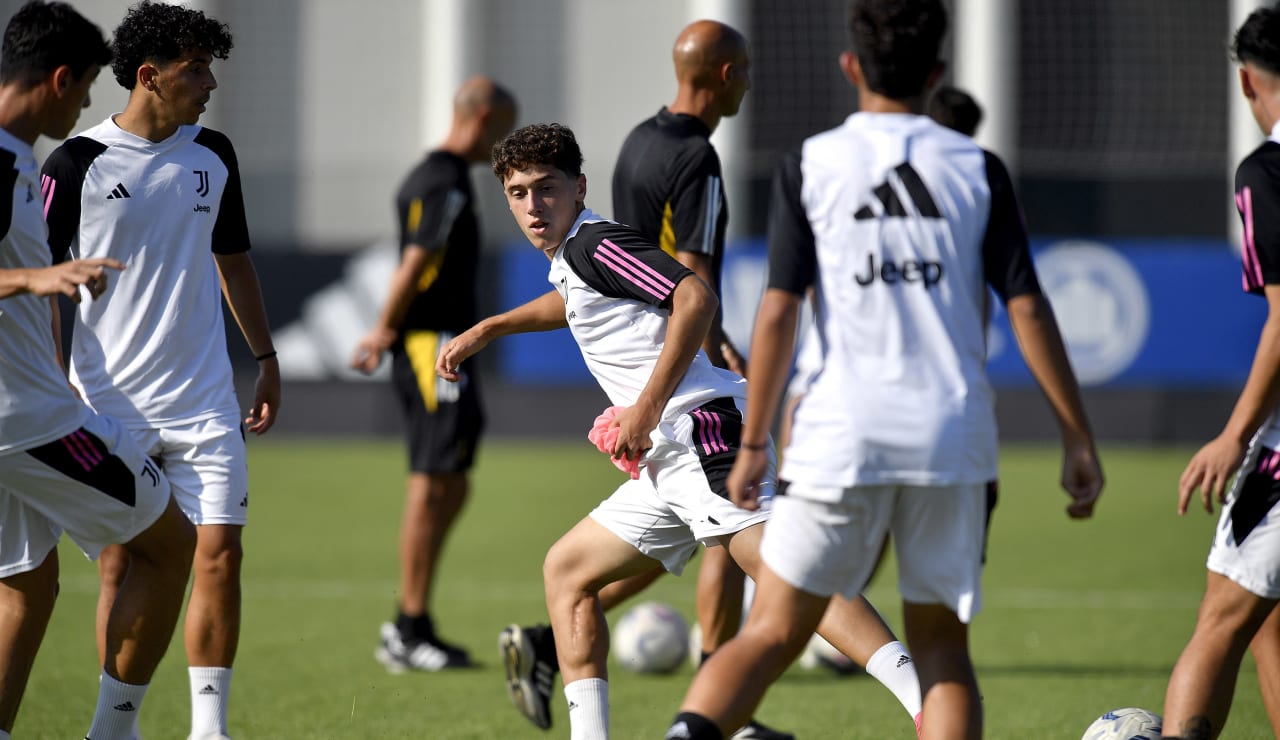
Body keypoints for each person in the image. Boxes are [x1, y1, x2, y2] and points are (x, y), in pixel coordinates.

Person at [665, 1, 1103, 738]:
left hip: (840, 434)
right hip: (950, 437)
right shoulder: (977, 167)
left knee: (771, 631)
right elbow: (1028, 309)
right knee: (941, 652)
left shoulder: (810, 164)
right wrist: (1077, 437)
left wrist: (753, 443)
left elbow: (777, 313)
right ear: (936, 75)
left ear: (849, 67)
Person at [453, 121, 918, 740]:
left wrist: (643, 409)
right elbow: (575, 302)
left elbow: (694, 298)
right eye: (518, 193)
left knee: (791, 572)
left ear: (578, 187)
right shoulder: (575, 260)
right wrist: (490, 328)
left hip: (696, 432)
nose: (533, 206)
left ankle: (926, 702)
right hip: (670, 453)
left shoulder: (596, 243)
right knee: (568, 572)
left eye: (546, 188)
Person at [40, 2, 278, 737]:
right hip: (108, 408)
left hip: (205, 402)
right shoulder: (74, 162)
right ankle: (116, 726)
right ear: (151, 75)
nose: (209, 84)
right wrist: (57, 387)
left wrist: (265, 361)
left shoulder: (215, 154)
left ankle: (210, 730)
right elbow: (45, 284)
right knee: (122, 567)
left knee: (220, 555)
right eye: (196, 69)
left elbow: (232, 261)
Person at [0, 3, 196, 738]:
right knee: (172, 544)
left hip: (17, 421)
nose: (86, 105)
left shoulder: (18, 158)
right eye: (82, 89)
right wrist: (34, 280)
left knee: (28, 586)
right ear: (57, 80)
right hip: (27, 421)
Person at [351, 76, 516, 671]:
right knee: (432, 479)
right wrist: (383, 330)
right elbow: (414, 261)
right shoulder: (443, 182)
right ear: (485, 119)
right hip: (431, 345)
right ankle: (407, 629)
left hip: (440, 345)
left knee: (453, 478)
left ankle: (414, 622)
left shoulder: (436, 177)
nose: (504, 145)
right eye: (504, 130)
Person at [1162, 6, 1280, 739]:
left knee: (1222, 616)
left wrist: (1236, 435)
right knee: (1266, 617)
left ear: (1246, 81)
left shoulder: (1267, 171)